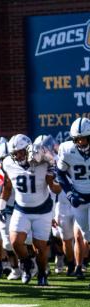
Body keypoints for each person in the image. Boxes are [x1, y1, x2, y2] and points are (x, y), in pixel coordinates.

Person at [0, 134, 61, 286]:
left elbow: (56, 188)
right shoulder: (8, 163)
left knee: (40, 248)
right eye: (14, 153)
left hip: (42, 210)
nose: (17, 156)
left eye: (20, 152)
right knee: (15, 242)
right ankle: (27, 265)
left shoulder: (43, 161)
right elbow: (7, 186)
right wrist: (1, 206)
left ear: (28, 149)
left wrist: (51, 176)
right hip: (22, 209)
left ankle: (42, 275)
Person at [57, 117, 90, 279]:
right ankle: (78, 265)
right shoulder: (66, 149)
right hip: (79, 198)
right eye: (77, 139)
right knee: (86, 236)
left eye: (83, 138)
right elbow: (60, 172)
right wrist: (70, 193)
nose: (80, 142)